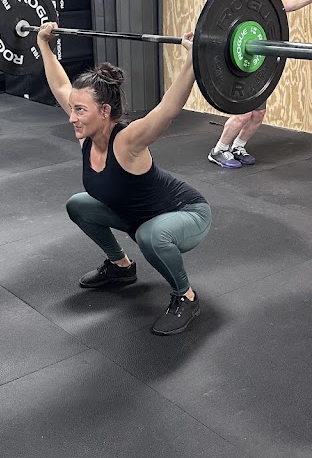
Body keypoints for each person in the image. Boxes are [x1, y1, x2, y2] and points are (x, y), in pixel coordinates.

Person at [37, 22, 212, 336]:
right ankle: (120, 267)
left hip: (186, 213)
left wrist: (192, 59)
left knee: (150, 236)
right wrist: (44, 45)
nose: (71, 116)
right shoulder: (87, 133)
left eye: (80, 110)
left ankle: (186, 296)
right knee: (78, 205)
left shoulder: (128, 140)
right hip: (137, 217)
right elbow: (61, 86)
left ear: (104, 111)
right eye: (72, 109)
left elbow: (168, 109)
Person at [206, 0, 312, 168]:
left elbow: (282, 4)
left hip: (253, 60)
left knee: (258, 114)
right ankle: (219, 150)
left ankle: (238, 146)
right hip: (230, 62)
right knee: (243, 113)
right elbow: (212, 19)